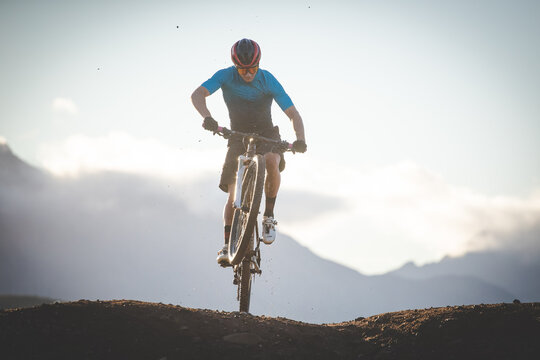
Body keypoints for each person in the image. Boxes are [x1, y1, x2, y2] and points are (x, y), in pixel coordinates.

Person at [191, 38, 306, 267]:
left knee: (272, 160)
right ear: (235, 66)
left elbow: (293, 114)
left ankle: (269, 216)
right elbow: (197, 95)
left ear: (259, 65)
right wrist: (208, 118)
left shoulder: (268, 79)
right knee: (233, 195)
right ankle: (227, 245)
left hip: (267, 132)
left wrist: (300, 140)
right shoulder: (225, 76)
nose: (248, 73)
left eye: (252, 68)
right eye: (243, 69)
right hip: (236, 134)